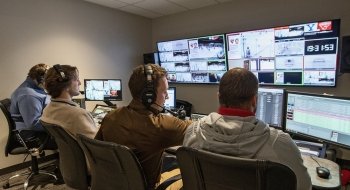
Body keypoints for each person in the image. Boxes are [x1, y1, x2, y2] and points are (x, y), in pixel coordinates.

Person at [183, 68, 312, 190]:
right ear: (255, 101)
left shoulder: (193, 131)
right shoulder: (280, 143)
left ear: (219, 97)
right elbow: (304, 186)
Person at [95, 64, 192, 189]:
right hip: (148, 186)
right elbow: (199, 129)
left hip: (114, 184)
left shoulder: (110, 117)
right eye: (164, 92)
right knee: (189, 173)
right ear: (149, 96)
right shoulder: (160, 126)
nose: (167, 96)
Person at [41, 64, 98, 139]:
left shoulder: (47, 109)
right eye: (76, 80)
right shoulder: (78, 114)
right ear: (66, 85)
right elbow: (97, 143)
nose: (80, 83)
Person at [10, 63, 56, 148]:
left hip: (34, 130)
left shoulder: (35, 88)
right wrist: (57, 125)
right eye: (48, 80)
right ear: (37, 78)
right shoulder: (28, 95)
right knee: (69, 139)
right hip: (31, 135)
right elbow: (33, 124)